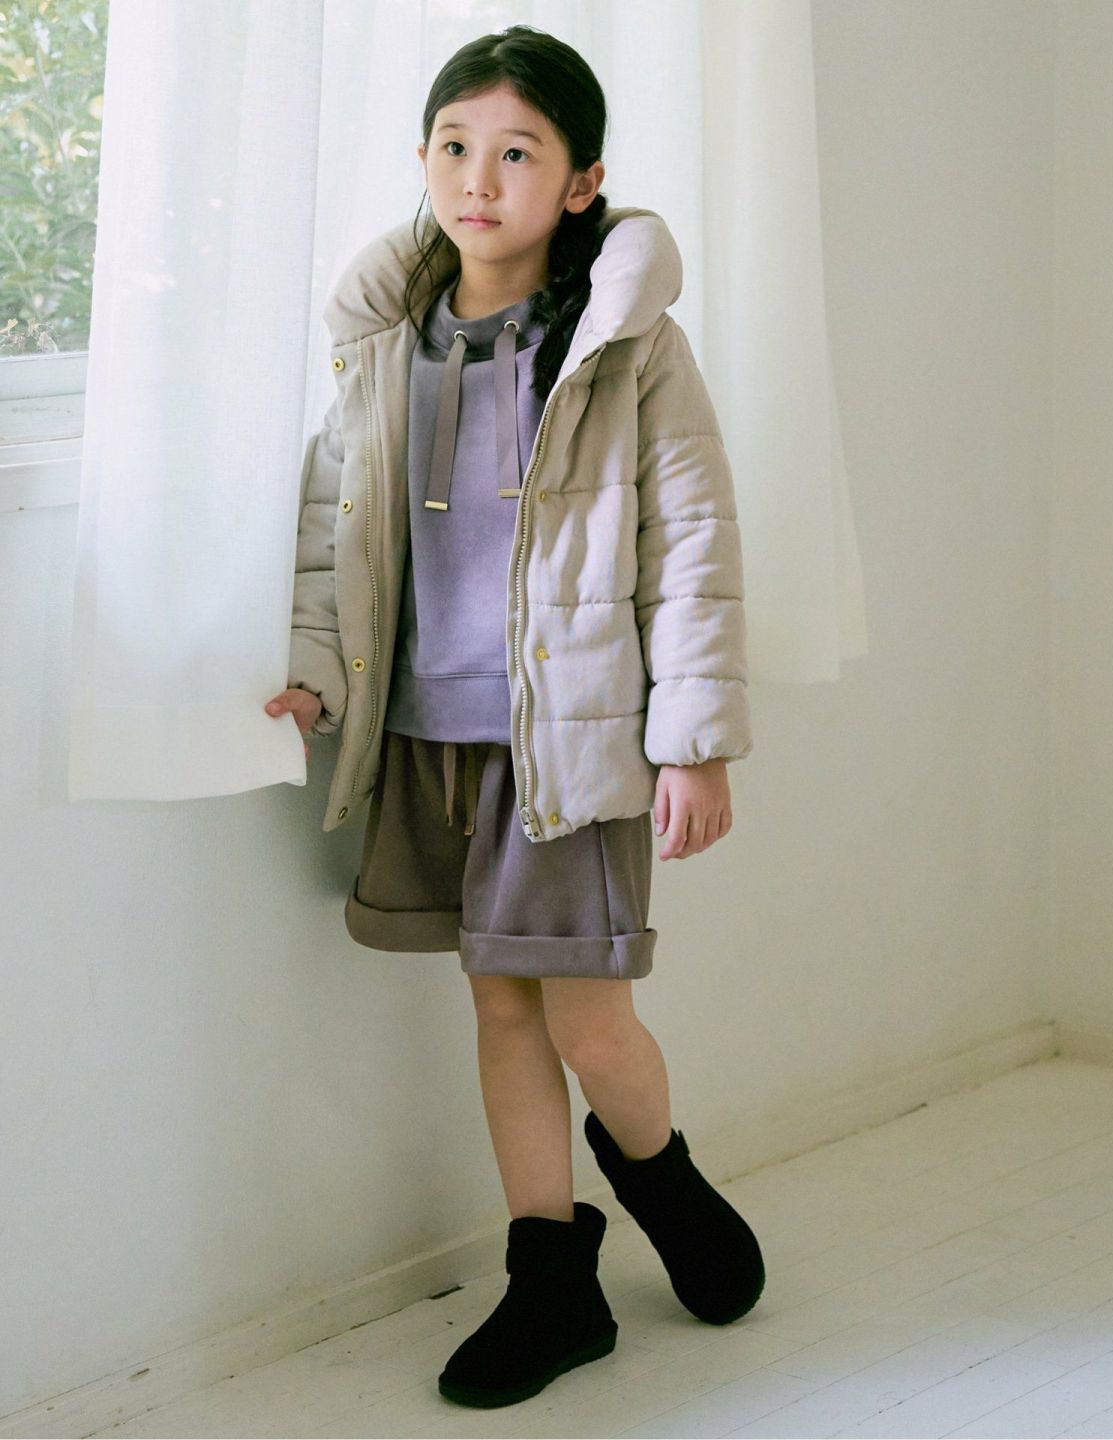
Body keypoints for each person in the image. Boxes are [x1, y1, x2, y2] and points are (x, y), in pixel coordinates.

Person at [264, 23, 763, 1411]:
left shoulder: (626, 346)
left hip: (574, 736)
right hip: (429, 732)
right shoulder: (385, 343)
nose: (478, 180)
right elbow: (337, 526)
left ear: (582, 180)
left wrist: (694, 740)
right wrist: (316, 671)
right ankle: (552, 1279)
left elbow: (694, 541)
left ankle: (660, 1180)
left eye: (518, 153)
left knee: (589, 1021)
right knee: (498, 1007)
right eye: (455, 147)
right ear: (424, 160)